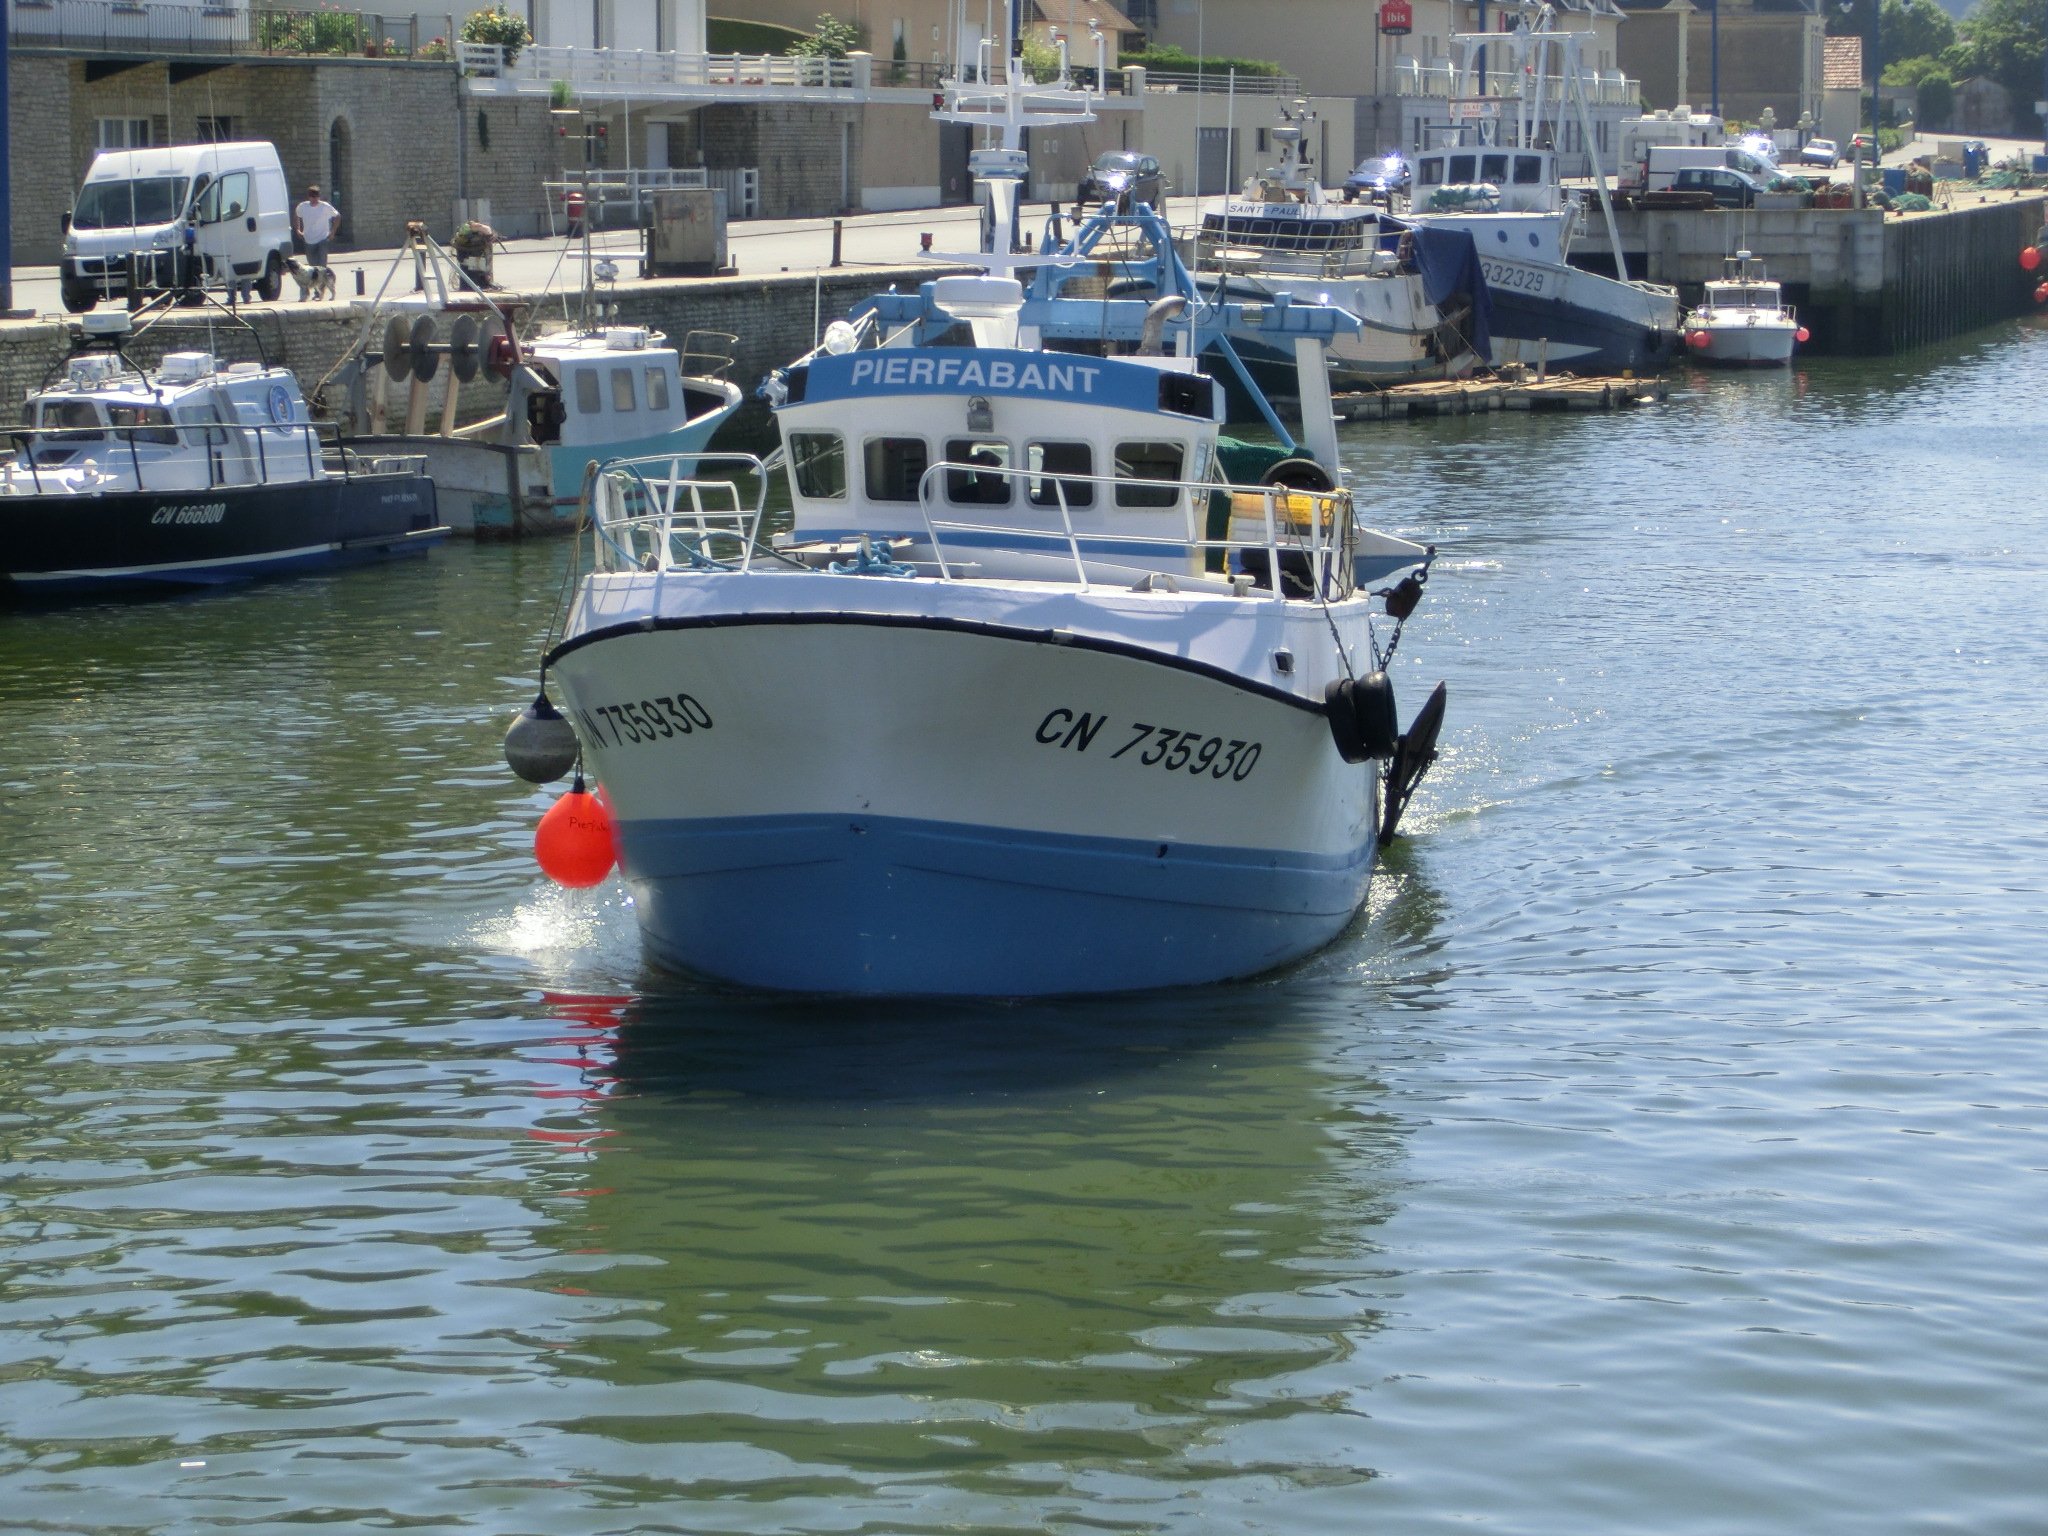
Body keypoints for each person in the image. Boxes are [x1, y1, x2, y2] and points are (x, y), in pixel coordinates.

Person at [293, 185, 341, 284]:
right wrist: (298, 229)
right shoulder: (303, 206)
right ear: (309, 197)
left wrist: (332, 232)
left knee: (321, 266)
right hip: (309, 240)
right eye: (312, 196)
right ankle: (317, 290)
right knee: (312, 267)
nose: (314, 199)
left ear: (319, 196)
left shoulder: (325, 206)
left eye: (316, 196)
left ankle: (322, 288)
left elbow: (338, 216)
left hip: (322, 239)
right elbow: (296, 215)